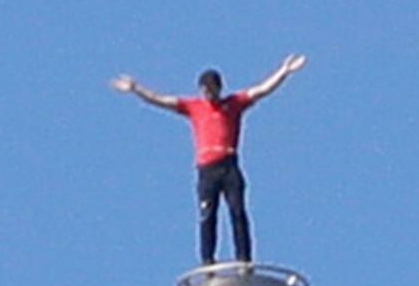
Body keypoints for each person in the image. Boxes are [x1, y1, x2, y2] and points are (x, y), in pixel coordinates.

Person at [111, 55, 307, 266]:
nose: (208, 93)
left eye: (212, 89)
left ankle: (244, 259)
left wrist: (284, 72)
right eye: (205, 90)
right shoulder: (194, 107)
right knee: (207, 214)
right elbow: (161, 100)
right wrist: (136, 88)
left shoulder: (234, 104)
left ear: (219, 88)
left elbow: (261, 90)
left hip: (229, 164)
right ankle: (207, 261)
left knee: (237, 210)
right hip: (207, 169)